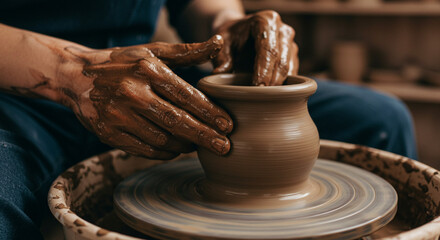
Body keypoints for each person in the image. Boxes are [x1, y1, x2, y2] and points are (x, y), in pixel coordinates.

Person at [0, 0, 417, 239]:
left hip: (153, 73)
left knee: (380, 119)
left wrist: (227, 23)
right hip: (24, 85)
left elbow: (199, 3)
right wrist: (68, 73)